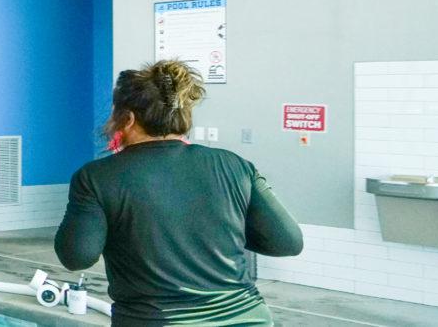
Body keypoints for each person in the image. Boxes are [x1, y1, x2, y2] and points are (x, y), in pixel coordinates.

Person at [55, 60, 302, 325]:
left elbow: (76, 257)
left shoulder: (97, 177)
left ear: (128, 118)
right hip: (248, 319)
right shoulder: (234, 165)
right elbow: (287, 242)